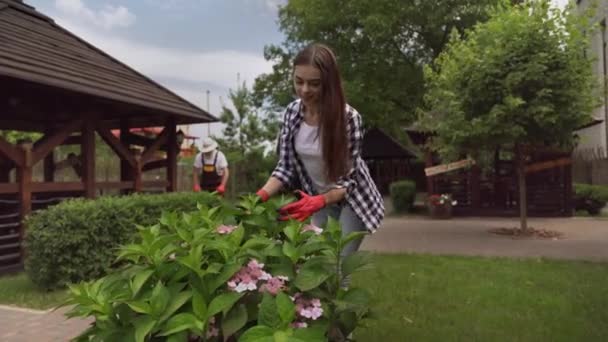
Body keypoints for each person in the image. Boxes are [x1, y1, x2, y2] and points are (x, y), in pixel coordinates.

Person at [255, 43, 384, 258]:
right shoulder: (291, 113)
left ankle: (340, 289)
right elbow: (285, 167)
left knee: (338, 264)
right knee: (317, 260)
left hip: (353, 199)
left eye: (314, 83)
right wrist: (259, 197)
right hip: (318, 197)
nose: (305, 90)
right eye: (299, 81)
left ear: (329, 83)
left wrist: (320, 201)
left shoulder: (348, 119)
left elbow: (347, 182)